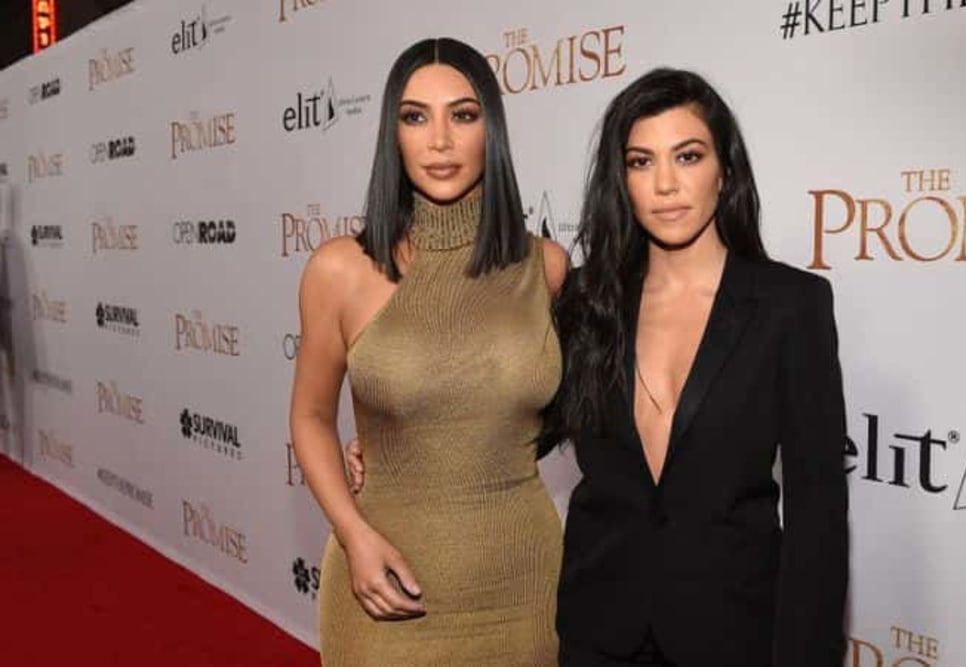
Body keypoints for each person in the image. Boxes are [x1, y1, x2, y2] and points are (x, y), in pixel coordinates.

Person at [547, 68, 849, 666]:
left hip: (731, 634)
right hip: (600, 629)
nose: (665, 184)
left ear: (725, 171)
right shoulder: (585, 301)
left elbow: (818, 511)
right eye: (641, 162)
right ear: (620, 181)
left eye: (687, 156)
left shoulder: (790, 306)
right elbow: (514, 420)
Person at [288, 37, 567, 666]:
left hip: (525, 589)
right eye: (416, 117)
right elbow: (309, 415)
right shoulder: (341, 270)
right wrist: (352, 534)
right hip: (385, 587)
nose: (440, 140)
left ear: (491, 130)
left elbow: (546, 414)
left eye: (462, 115)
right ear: (392, 135)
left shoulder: (547, 267)